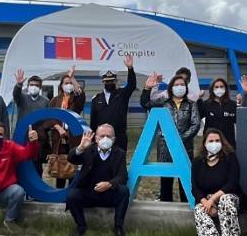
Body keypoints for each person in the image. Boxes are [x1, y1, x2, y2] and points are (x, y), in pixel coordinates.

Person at [65, 124, 130, 236]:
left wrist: (109, 184)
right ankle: (81, 227)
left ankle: (118, 227)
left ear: (114, 139)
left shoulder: (119, 153)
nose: (105, 139)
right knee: (72, 196)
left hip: (109, 193)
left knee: (124, 191)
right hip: (89, 193)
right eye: (102, 136)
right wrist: (80, 148)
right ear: (96, 138)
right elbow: (71, 158)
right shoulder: (88, 149)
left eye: (109, 136)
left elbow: (123, 176)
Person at [141, 72, 200, 202]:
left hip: (185, 147)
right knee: (166, 180)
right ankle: (166, 207)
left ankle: (187, 206)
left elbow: (195, 124)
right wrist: (147, 88)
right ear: (171, 87)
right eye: (176, 84)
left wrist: (180, 139)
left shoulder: (191, 104)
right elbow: (145, 104)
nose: (179, 87)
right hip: (165, 148)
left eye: (182, 84)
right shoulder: (163, 102)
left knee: (185, 180)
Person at [191, 128, 241, 236]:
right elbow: (195, 188)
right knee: (198, 209)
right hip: (207, 200)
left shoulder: (230, 157)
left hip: (228, 196)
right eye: (211, 141)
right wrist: (205, 202)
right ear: (204, 143)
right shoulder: (197, 162)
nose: (214, 143)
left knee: (225, 199)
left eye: (217, 140)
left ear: (222, 142)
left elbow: (232, 183)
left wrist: (212, 200)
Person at [44, 67, 86, 188]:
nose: (68, 85)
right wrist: (58, 127)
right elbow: (49, 118)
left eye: (70, 83)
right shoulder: (55, 100)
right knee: (60, 165)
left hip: (73, 137)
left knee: (73, 163)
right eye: (66, 83)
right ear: (61, 86)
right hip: (59, 138)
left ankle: (72, 192)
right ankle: (60, 192)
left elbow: (80, 93)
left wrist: (72, 77)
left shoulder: (76, 100)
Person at [89, 55, 136, 152]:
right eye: (107, 81)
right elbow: (93, 122)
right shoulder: (96, 99)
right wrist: (93, 138)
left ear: (116, 81)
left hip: (119, 137)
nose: (109, 83)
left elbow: (132, 85)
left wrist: (130, 68)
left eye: (111, 81)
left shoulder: (122, 94)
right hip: (102, 137)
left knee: (119, 162)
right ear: (103, 81)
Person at [13, 70, 49, 178]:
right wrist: (19, 85)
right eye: (31, 85)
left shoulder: (45, 101)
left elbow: (47, 119)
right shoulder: (22, 98)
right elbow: (16, 94)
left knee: (36, 164)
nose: (34, 87)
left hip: (37, 138)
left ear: (40, 87)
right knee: (21, 163)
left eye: (36, 85)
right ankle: (21, 189)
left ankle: (36, 190)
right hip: (22, 136)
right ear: (28, 86)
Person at [199, 78, 237, 148]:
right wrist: (199, 99)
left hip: (229, 142)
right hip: (211, 141)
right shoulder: (206, 104)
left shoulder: (233, 104)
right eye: (216, 87)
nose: (219, 89)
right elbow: (197, 118)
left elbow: (238, 120)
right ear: (212, 89)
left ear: (226, 89)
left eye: (221, 86)